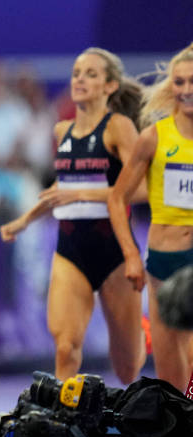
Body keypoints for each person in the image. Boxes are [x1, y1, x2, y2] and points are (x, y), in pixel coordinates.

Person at [0, 48, 147, 385]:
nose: (79, 80)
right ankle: (62, 427)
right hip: (70, 249)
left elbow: (143, 190)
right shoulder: (61, 131)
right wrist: (24, 220)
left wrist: (81, 192)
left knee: (127, 368)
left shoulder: (120, 128)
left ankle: (141, 331)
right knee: (65, 347)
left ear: (110, 86)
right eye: (77, 73)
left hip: (115, 253)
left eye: (91, 74)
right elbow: (61, 187)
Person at [107, 43, 193, 392]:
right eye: (179, 82)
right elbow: (117, 197)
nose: (186, 90)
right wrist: (130, 254)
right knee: (170, 379)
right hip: (161, 263)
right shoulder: (154, 138)